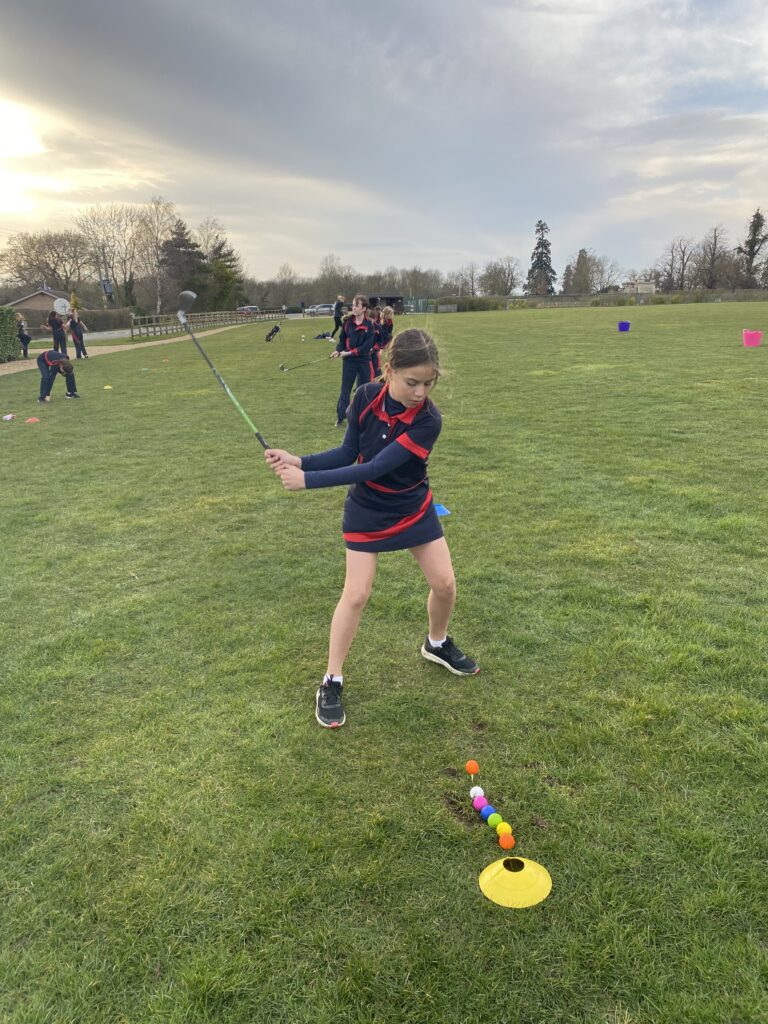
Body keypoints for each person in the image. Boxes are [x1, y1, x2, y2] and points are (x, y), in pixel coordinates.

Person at [265, 327, 479, 729]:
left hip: (412, 507)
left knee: (445, 584)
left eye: (428, 383)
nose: (420, 391)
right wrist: (300, 460)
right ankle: (332, 680)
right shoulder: (364, 397)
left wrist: (307, 482)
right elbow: (350, 452)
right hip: (367, 509)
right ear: (388, 369)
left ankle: (436, 643)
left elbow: (378, 466)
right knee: (357, 594)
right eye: (412, 382)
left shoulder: (429, 420)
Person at [331, 294, 375, 428]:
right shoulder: (347, 323)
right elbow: (342, 340)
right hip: (349, 361)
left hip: (363, 361)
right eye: (353, 305)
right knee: (346, 389)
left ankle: (364, 417)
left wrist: (349, 352)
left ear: (364, 308)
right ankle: (340, 418)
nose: (353, 308)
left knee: (364, 389)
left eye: (357, 305)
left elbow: (366, 347)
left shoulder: (370, 325)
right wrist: (338, 351)